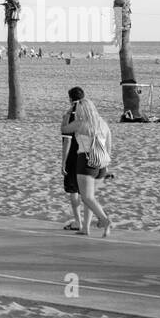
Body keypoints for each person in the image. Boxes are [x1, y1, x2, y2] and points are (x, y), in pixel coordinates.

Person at [61, 88, 113, 236]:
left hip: (86, 161)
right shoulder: (103, 123)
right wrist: (106, 164)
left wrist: (66, 114)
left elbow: (64, 130)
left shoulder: (80, 123)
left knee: (87, 197)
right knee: (90, 198)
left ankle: (105, 220)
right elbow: (109, 145)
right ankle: (86, 228)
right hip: (102, 163)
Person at [60, 90, 82, 230]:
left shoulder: (69, 115)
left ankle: (78, 222)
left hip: (74, 158)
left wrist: (63, 162)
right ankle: (93, 220)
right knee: (87, 193)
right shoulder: (90, 113)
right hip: (89, 156)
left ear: (70, 98)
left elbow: (67, 141)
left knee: (74, 191)